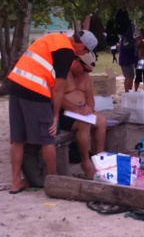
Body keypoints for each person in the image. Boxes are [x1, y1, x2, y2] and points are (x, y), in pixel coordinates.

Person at [7, 29, 97, 194]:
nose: (81, 54)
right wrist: (55, 116)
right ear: (82, 46)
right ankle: (53, 180)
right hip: (36, 90)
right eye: (84, 51)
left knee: (17, 139)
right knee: (48, 138)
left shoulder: (53, 38)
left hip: (15, 86)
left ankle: (15, 182)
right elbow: (58, 89)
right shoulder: (66, 51)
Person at [59, 51, 106, 179]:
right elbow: (57, 98)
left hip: (82, 112)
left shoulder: (85, 77)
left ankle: (99, 157)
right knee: (84, 124)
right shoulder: (62, 74)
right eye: (84, 69)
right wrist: (77, 110)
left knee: (101, 120)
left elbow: (90, 98)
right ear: (77, 61)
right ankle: (85, 161)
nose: (84, 72)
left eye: (88, 70)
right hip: (65, 113)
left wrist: (90, 109)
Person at [118, 26, 138, 92]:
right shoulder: (127, 37)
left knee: (128, 77)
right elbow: (129, 47)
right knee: (129, 77)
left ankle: (128, 91)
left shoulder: (125, 37)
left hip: (126, 60)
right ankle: (128, 91)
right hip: (127, 60)